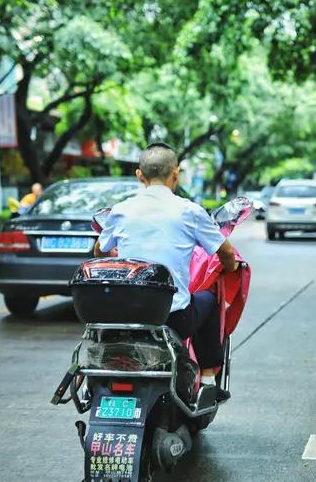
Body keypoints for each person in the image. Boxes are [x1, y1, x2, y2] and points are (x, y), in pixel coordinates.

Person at [94, 142, 238, 389]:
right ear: (175, 174)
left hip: (124, 314)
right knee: (208, 301)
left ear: (140, 175)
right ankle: (207, 379)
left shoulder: (122, 210)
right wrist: (232, 268)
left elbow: (100, 250)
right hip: (172, 318)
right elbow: (225, 251)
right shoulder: (189, 211)